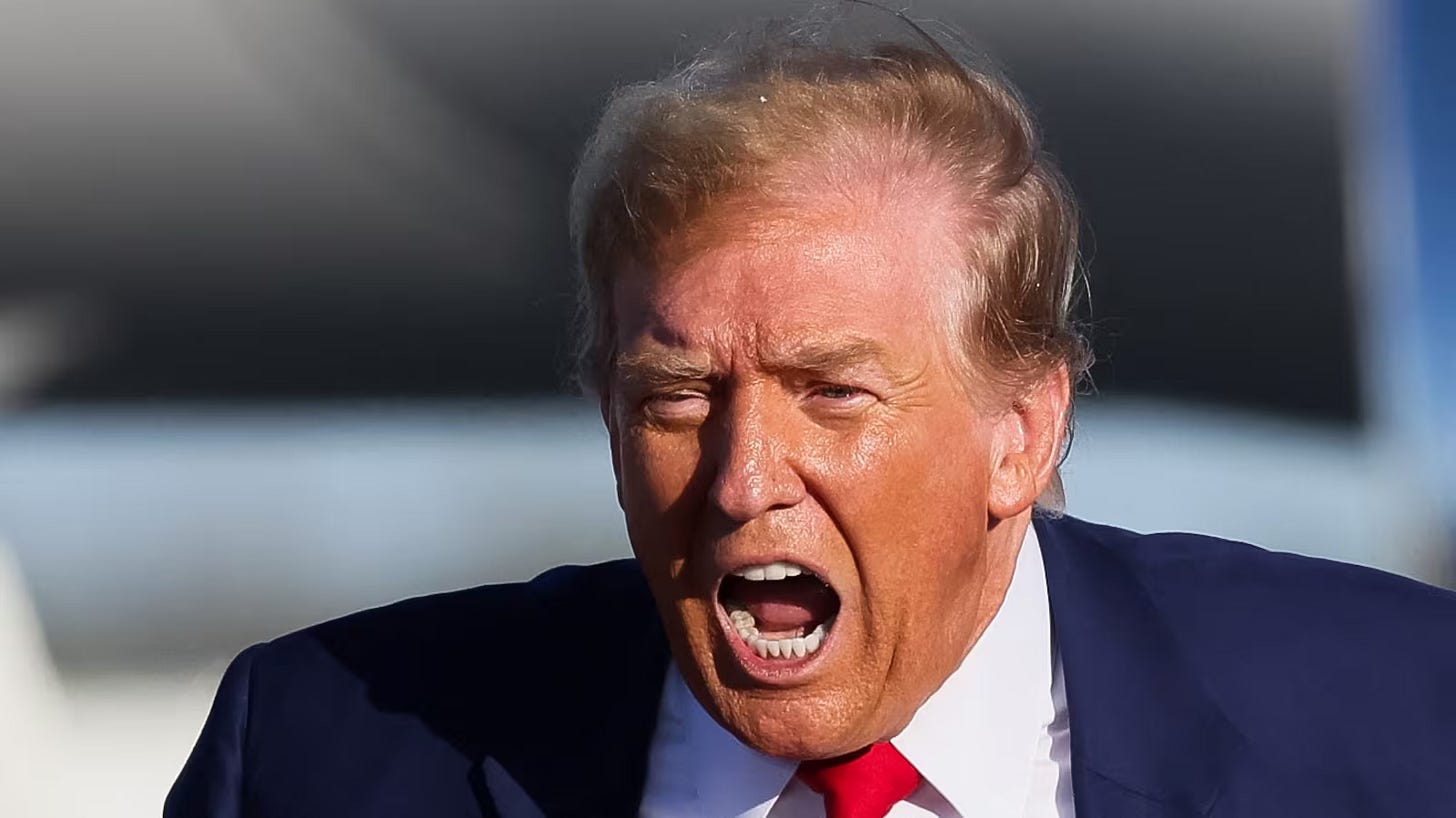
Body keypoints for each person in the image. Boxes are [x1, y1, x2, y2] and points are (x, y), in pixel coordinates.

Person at [166, 8, 1456, 818]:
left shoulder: (1402, 719)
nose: (740, 479)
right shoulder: (316, 754)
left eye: (832, 394)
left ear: (1022, 431)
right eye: (675, 395)